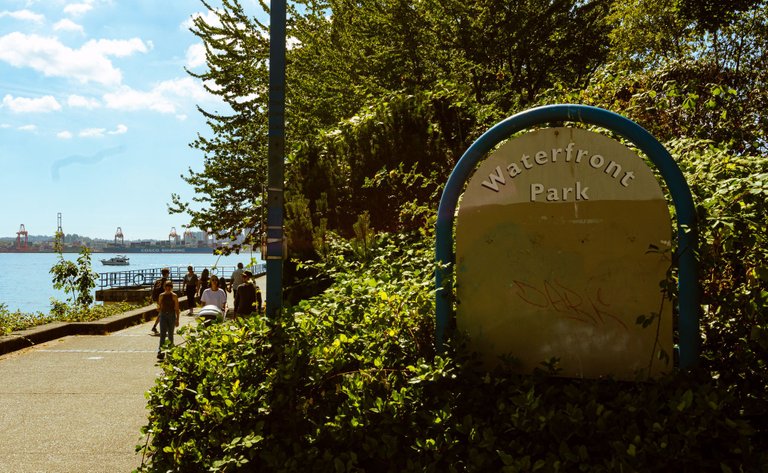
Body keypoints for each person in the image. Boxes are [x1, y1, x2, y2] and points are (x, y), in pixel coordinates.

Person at [156, 280, 180, 360]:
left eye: (170, 286)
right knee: (162, 334)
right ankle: (161, 352)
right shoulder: (161, 295)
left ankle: (170, 352)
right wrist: (158, 309)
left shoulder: (174, 296)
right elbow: (159, 306)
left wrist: (177, 319)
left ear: (171, 287)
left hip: (171, 315)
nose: (168, 288)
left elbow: (177, 308)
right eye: (166, 286)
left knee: (170, 335)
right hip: (163, 315)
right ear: (164, 287)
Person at [150, 267, 170, 334]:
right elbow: (167, 290)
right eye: (168, 273)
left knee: (162, 313)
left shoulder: (157, 281)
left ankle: (156, 327)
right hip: (163, 298)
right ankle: (159, 327)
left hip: (157, 298)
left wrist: (153, 298)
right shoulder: (166, 281)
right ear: (166, 273)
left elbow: (154, 290)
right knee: (164, 313)